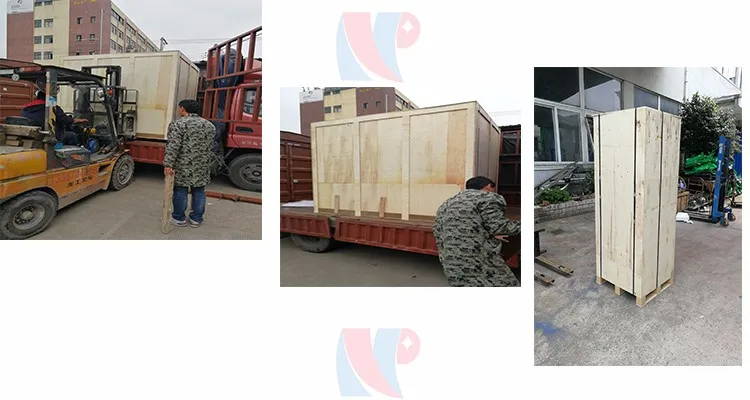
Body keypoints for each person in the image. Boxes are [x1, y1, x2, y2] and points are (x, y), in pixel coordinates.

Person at [433, 176, 521, 287]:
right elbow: (499, 227)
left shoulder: (448, 202)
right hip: (478, 258)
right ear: (488, 186)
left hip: (451, 259)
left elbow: (438, 230)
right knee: (508, 284)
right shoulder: (487, 198)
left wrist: (485, 235)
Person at [163, 99, 216, 228]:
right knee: (199, 191)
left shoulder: (178, 124)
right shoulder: (209, 125)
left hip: (183, 165)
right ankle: (196, 219)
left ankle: (179, 218)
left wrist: (168, 164)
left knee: (180, 190)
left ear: (182, 109)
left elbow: (173, 146)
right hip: (202, 165)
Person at [20, 79, 87, 145]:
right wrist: (78, 120)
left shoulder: (25, 108)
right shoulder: (52, 108)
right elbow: (65, 120)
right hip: (49, 136)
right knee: (72, 136)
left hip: (32, 135)